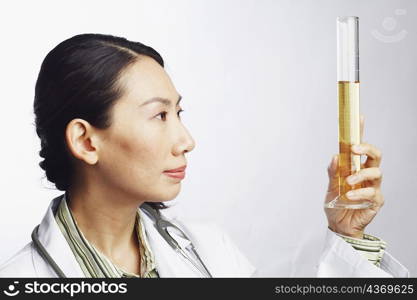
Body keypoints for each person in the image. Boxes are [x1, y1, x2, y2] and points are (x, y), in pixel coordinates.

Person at [0, 34, 409, 277]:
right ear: (87, 142)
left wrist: (346, 235)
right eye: (159, 115)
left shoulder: (210, 251)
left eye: (178, 112)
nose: (186, 140)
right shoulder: (20, 280)